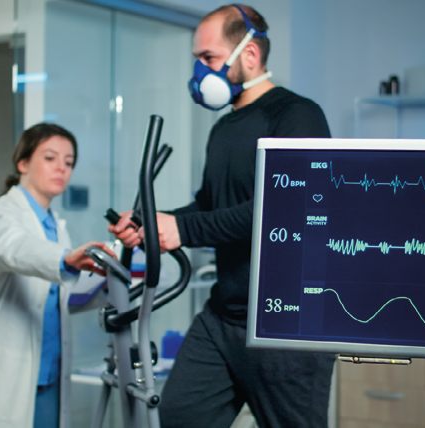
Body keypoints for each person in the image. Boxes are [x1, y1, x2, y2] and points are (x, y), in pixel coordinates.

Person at [109, 5, 335, 427]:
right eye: (197, 59)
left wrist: (184, 228)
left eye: (209, 59)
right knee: (178, 416)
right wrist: (155, 224)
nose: (200, 70)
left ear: (249, 55)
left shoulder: (297, 116)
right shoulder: (223, 128)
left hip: (285, 325)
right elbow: (210, 206)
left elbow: (284, 213)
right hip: (222, 318)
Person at [0, 123, 114, 428]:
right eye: (50, 158)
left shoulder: (55, 225)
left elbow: (60, 295)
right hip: (10, 368)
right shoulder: (2, 214)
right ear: (23, 163)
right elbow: (12, 249)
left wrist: (112, 282)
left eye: (68, 162)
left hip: (50, 371)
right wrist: (65, 258)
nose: (61, 168)